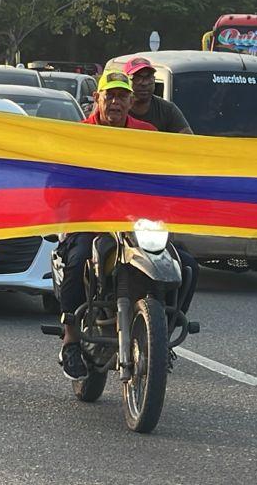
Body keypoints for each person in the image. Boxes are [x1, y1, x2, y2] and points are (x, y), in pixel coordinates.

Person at [55, 71, 160, 380]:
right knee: (76, 263)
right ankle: (71, 341)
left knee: (186, 265)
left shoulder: (148, 134)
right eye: (109, 95)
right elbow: (57, 179)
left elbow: (167, 175)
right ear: (97, 99)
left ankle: (162, 337)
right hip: (89, 220)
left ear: (131, 101)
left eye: (122, 96)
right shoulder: (77, 134)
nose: (115, 102)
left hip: (136, 222)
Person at [122, 57, 192, 133]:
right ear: (125, 81)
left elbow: (188, 141)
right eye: (137, 78)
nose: (144, 83)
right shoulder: (117, 108)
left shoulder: (167, 110)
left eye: (148, 77)